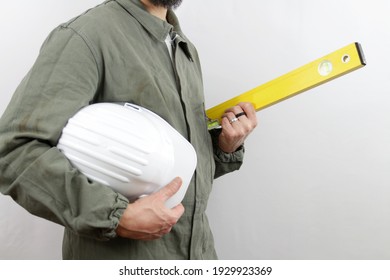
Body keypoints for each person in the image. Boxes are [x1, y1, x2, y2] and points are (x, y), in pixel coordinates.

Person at [0, 0, 257, 259]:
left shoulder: (183, 47)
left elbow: (169, 169)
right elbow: (12, 151)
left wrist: (224, 146)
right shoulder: (88, 35)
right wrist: (116, 216)